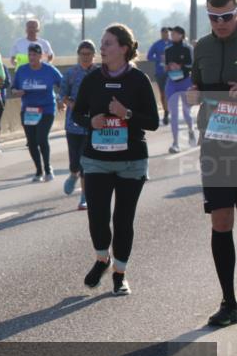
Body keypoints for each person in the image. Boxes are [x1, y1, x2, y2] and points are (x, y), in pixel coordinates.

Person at [72, 23, 158, 296]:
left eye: (108, 43)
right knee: (97, 216)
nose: (102, 48)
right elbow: (77, 115)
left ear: (123, 48)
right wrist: (91, 121)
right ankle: (102, 258)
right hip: (96, 159)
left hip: (131, 161)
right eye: (102, 42)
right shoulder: (93, 79)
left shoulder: (138, 80)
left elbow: (153, 122)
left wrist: (127, 113)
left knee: (123, 219)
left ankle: (120, 274)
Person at [188, 0, 237, 326]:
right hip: (216, 145)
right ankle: (229, 302)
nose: (220, 23)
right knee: (221, 223)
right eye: (214, 17)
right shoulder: (201, 47)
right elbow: (195, 84)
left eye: (228, 16)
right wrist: (193, 94)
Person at [11, 43, 63, 182]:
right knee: (32, 142)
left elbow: (63, 85)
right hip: (28, 110)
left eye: (35, 55)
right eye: (30, 55)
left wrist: (60, 99)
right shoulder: (22, 70)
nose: (32, 57)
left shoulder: (49, 70)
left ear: (41, 56)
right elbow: (13, 88)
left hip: (46, 109)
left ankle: (47, 168)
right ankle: (38, 170)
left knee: (41, 138)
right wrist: (17, 92)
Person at [59, 40, 98, 210]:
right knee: (75, 160)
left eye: (88, 54)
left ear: (93, 55)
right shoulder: (71, 73)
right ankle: (73, 174)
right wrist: (69, 103)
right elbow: (62, 94)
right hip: (73, 123)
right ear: (78, 55)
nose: (85, 57)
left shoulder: (99, 73)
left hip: (92, 124)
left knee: (85, 161)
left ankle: (84, 196)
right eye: (82, 54)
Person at [164, 26, 197, 153]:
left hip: (185, 82)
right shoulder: (168, 49)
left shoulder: (188, 48)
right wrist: (168, 67)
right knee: (174, 114)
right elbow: (166, 65)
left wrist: (180, 66)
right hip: (172, 82)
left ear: (182, 35)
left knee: (186, 111)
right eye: (172, 33)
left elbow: (192, 65)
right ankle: (175, 143)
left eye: (175, 33)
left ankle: (191, 130)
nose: (172, 35)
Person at [147, 27, 171, 125]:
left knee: (170, 92)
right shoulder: (157, 44)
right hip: (160, 72)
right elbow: (149, 56)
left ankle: (169, 108)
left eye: (166, 33)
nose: (165, 34)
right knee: (162, 93)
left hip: (171, 73)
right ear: (161, 34)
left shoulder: (172, 43)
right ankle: (166, 112)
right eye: (163, 33)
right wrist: (159, 58)